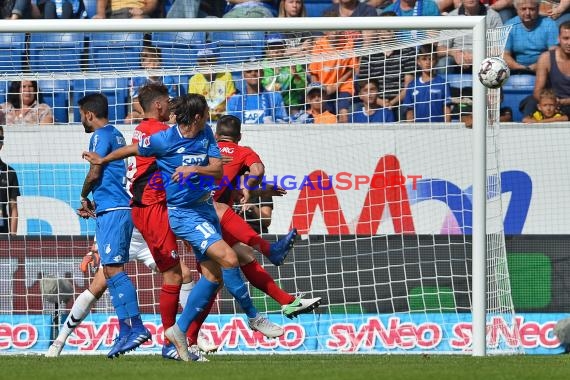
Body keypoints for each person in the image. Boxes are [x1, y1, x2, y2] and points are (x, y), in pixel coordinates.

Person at [83, 94, 284, 362]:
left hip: (204, 208)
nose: (208, 119)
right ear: (198, 116)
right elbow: (133, 149)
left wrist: (193, 170)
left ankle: (178, 331)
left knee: (213, 278)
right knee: (229, 257)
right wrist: (103, 160)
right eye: (206, 115)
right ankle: (253, 316)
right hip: (183, 214)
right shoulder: (165, 139)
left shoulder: (206, 134)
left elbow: (216, 170)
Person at [45, 230, 211, 360]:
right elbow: (108, 212)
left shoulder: (157, 186)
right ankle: (59, 340)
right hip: (124, 238)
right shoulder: (119, 188)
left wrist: (182, 235)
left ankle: (193, 335)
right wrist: (95, 248)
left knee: (184, 275)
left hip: (150, 240)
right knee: (97, 287)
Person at [77, 93, 150, 358]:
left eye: (81, 115)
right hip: (111, 207)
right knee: (108, 271)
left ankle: (137, 326)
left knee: (114, 269)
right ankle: (125, 330)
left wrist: (84, 195)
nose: (80, 120)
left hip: (116, 210)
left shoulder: (99, 135)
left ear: (88, 114)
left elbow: (95, 170)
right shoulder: (117, 134)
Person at [357, 12, 416, 120]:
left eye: (391, 25)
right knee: (354, 109)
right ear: (378, 29)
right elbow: (363, 85)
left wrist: (392, 103)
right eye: (385, 25)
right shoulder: (368, 55)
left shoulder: (408, 52)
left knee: (408, 108)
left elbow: (409, 86)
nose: (388, 28)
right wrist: (380, 101)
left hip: (400, 103)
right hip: (373, 102)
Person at [308, 15, 357, 123]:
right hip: (323, 87)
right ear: (325, 31)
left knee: (343, 114)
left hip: (343, 86)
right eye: (331, 28)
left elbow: (351, 69)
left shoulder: (348, 43)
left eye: (337, 27)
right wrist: (319, 90)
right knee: (321, 114)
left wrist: (336, 86)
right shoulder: (319, 45)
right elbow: (313, 73)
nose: (334, 32)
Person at [438, 0, 503, 73]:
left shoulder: (493, 16)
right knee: (443, 64)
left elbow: (497, 48)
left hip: (484, 58)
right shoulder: (451, 17)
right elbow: (440, 49)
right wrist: (455, 53)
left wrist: (477, 55)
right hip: (457, 59)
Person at [522, 21, 570, 117]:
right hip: (552, 103)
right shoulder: (546, 58)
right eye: (566, 38)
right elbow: (537, 91)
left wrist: (564, 101)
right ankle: (527, 126)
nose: (569, 43)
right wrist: (550, 101)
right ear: (558, 39)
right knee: (531, 101)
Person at [124, 46, 178, 124]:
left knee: (172, 119)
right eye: (149, 62)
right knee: (129, 119)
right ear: (143, 64)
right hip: (142, 110)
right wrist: (146, 114)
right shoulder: (137, 79)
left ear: (160, 62)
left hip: (163, 111)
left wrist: (159, 114)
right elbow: (135, 101)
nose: (152, 66)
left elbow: (171, 101)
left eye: (155, 61)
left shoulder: (168, 79)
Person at [503, 0, 558, 74]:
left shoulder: (550, 25)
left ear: (538, 9)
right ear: (517, 10)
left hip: (544, 69)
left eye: (532, 9)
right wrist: (520, 68)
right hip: (516, 70)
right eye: (523, 9)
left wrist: (535, 67)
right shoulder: (509, 25)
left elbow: (553, 54)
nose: (527, 13)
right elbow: (505, 55)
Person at [403, 44, 452, 122]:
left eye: (431, 59)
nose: (428, 62)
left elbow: (447, 110)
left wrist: (447, 128)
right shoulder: (412, 85)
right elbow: (409, 112)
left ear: (436, 61)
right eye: (424, 59)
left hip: (439, 130)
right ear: (418, 62)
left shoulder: (443, 83)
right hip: (419, 130)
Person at [261, 33, 306, 116]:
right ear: (267, 50)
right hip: (271, 104)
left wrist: (295, 75)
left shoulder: (293, 63)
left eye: (279, 47)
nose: (276, 50)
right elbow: (268, 90)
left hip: (292, 105)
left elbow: (303, 89)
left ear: (284, 48)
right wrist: (276, 75)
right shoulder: (263, 66)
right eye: (272, 48)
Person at [188, 48, 236, 123]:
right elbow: (193, 104)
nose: (206, 63)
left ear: (215, 60)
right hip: (202, 120)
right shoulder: (194, 80)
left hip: (224, 118)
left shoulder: (226, 75)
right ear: (198, 63)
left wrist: (222, 108)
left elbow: (231, 98)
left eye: (209, 60)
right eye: (202, 61)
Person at [0, 125, 19, 235]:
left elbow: (13, 208)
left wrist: (13, 238)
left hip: (3, 233)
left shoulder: (10, 173)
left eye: (1, 138)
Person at [94, 0, 159, 18]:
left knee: (138, 20)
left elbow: (152, 3)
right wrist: (101, 14)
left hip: (138, 14)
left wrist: (142, 11)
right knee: (97, 22)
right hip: (114, 14)